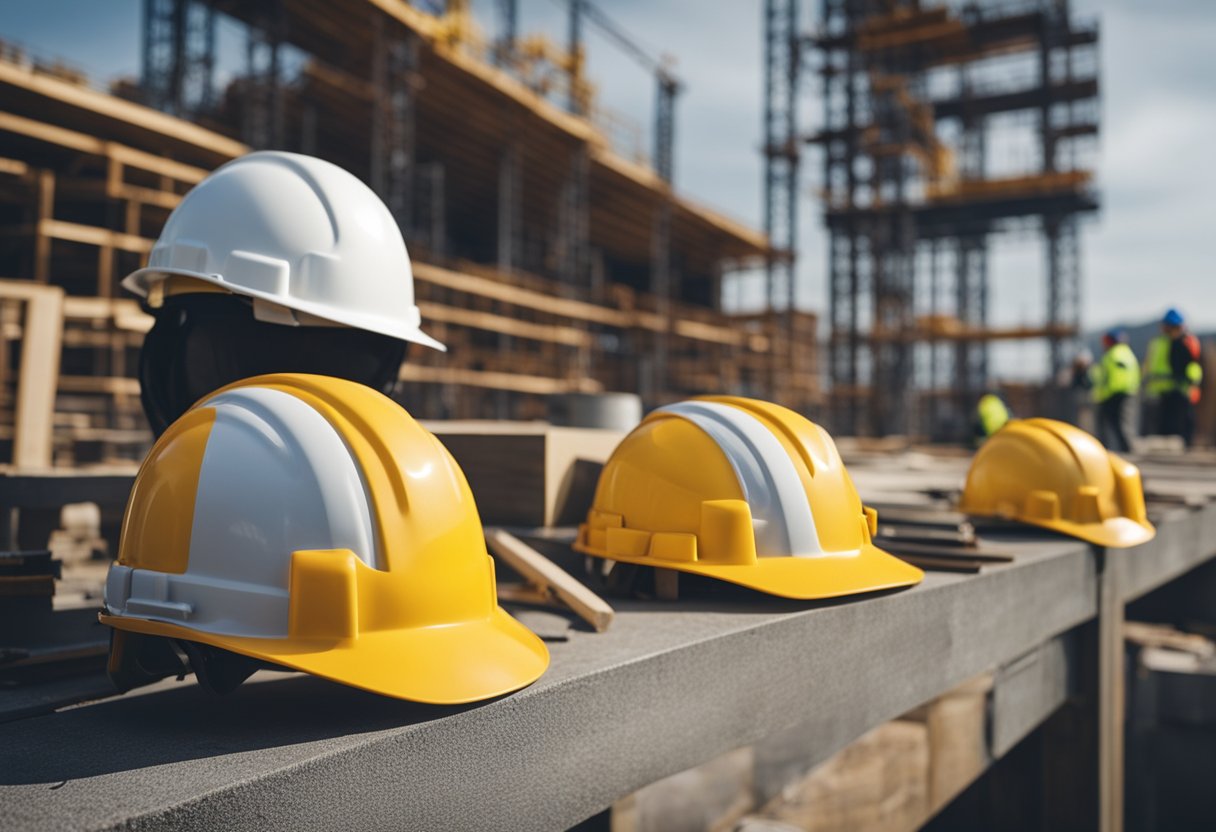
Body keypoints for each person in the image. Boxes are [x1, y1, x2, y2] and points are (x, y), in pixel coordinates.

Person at [1145, 308, 1203, 446]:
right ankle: (1165, 446)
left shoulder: (1187, 342)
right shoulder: (1160, 342)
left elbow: (1194, 365)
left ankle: (1186, 445)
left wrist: (1191, 381)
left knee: (1183, 419)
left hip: (1181, 387)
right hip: (1160, 388)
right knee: (1163, 421)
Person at [1091, 329, 1139, 452]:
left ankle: (1121, 451)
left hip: (1113, 395)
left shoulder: (1114, 354)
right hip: (1123, 393)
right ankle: (1126, 450)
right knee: (1121, 425)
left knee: (1114, 426)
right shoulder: (1127, 353)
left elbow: (1109, 377)